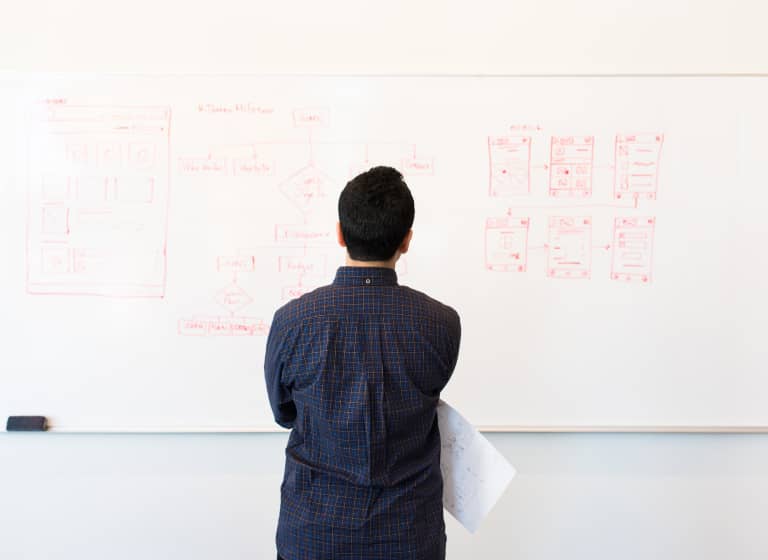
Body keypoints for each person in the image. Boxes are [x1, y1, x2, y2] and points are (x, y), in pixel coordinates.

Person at [265, 165, 461, 560]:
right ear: (406, 241)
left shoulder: (292, 321)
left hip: (314, 535)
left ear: (340, 233)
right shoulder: (441, 324)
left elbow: (284, 413)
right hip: (408, 538)